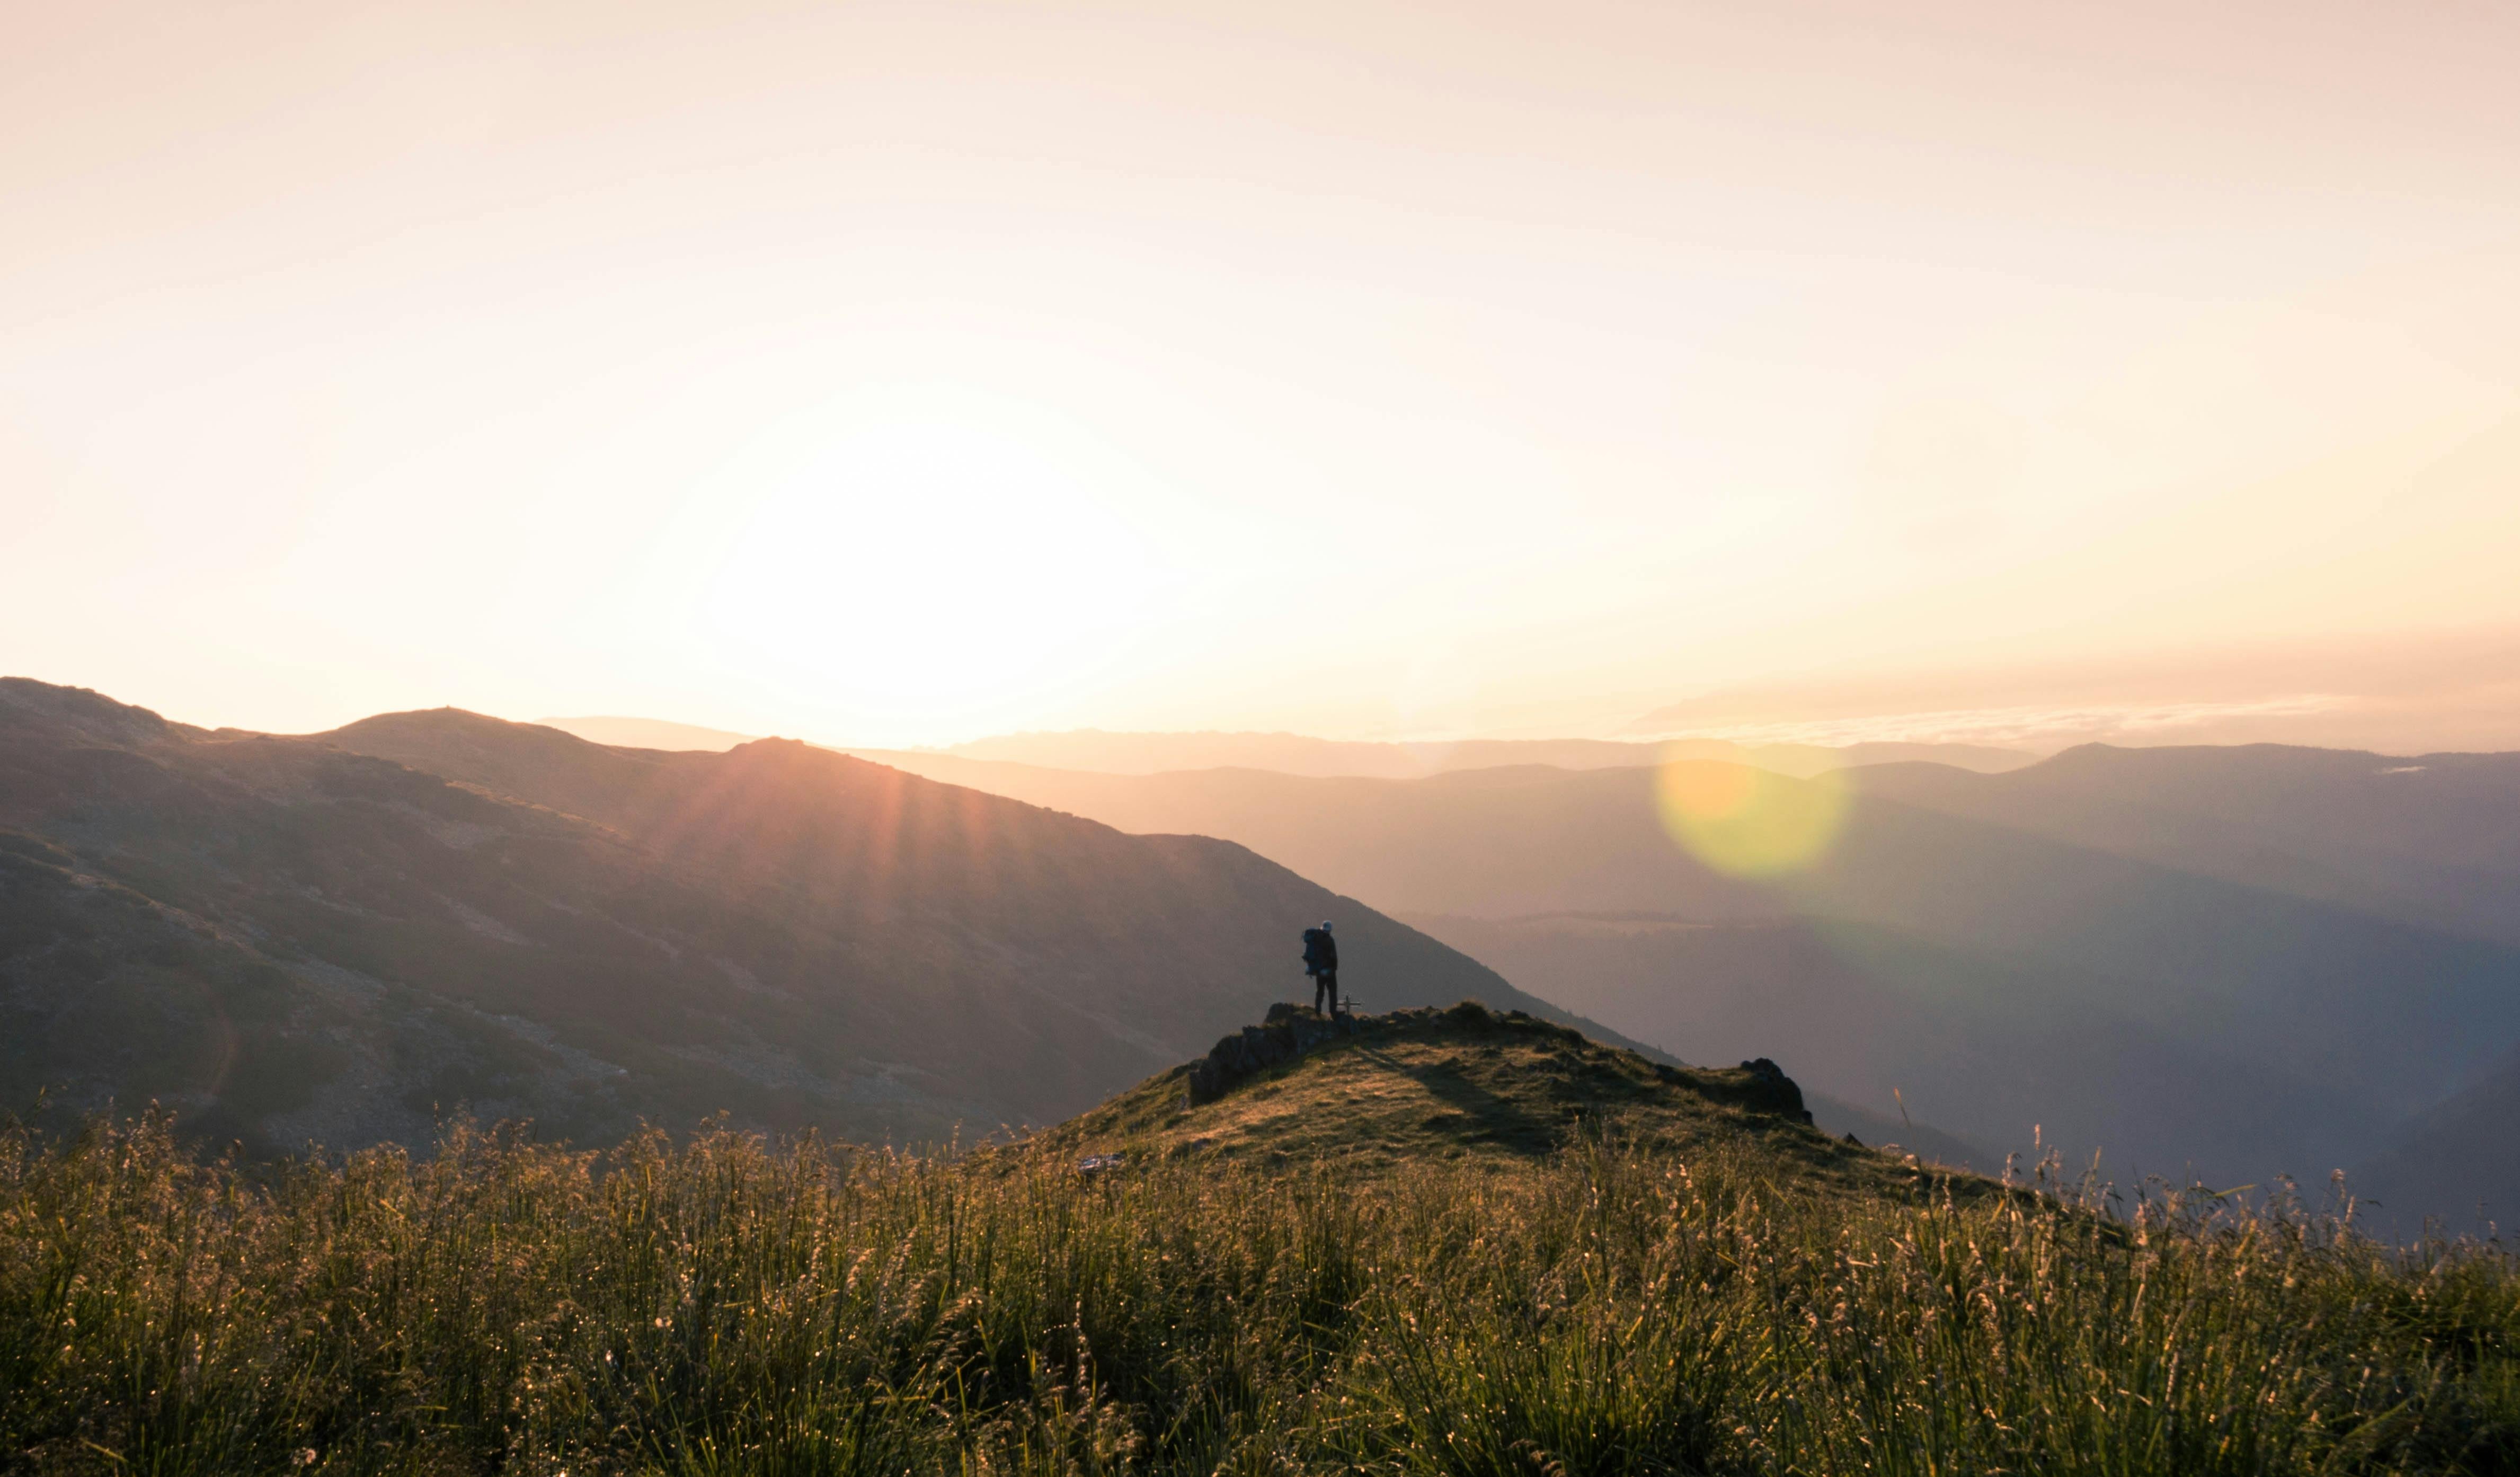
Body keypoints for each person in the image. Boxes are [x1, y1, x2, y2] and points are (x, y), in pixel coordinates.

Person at [1301, 919, 1340, 1014]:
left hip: (1318, 970)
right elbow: (1334, 957)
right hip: (1329, 971)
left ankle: (1318, 1011)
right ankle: (1333, 1013)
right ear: (1330, 930)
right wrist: (1335, 968)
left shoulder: (1315, 938)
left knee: (1320, 991)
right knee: (1332, 991)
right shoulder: (1330, 941)